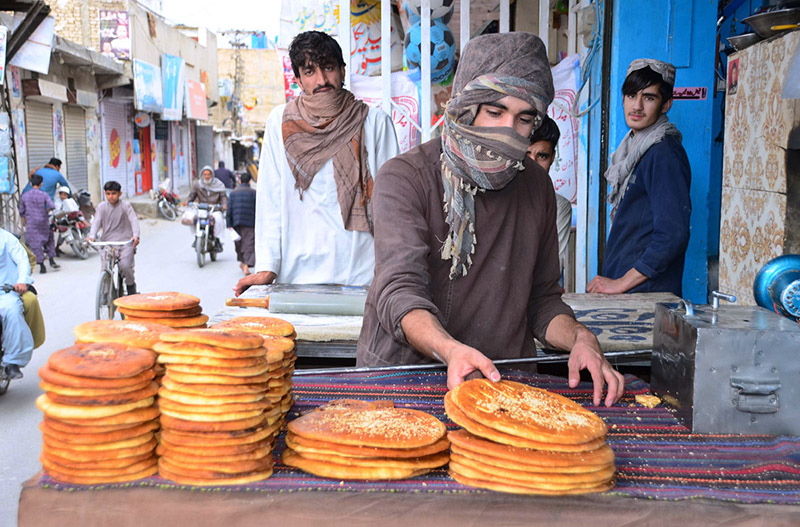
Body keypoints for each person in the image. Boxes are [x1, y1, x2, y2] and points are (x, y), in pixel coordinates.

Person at [356, 32, 624, 407]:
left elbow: (542, 301)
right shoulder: (405, 177)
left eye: (523, 119)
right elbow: (399, 291)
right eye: (495, 113)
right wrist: (449, 349)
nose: (508, 132)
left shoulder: (536, 188)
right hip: (405, 383)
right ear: (466, 107)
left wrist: (581, 338)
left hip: (500, 384)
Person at [234, 30, 399, 295]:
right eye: (309, 72)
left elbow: (393, 203)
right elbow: (270, 198)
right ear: (298, 80)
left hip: (362, 274)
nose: (322, 79)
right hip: (297, 277)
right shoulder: (280, 123)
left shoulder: (375, 122)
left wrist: (395, 270)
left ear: (343, 71)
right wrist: (266, 266)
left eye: (329, 67)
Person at [587, 59, 691, 297]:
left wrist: (621, 283)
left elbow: (673, 235)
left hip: (645, 295)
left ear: (666, 105)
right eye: (631, 95)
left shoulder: (664, 153)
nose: (637, 106)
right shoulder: (635, 149)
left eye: (649, 98)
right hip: (630, 292)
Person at [527, 115, 572, 274]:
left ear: (552, 158)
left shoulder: (558, 207)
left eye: (542, 156)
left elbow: (550, 270)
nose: (533, 164)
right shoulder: (493, 197)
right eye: (526, 155)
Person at [87, 181, 140, 296]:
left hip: (125, 242)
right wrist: (91, 236)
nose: (111, 196)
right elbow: (96, 222)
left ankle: (130, 286)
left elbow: (133, 220)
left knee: (125, 266)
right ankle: (106, 292)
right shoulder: (101, 207)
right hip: (108, 242)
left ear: (120, 193)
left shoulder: (126, 206)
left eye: (114, 193)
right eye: (108, 193)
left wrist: (135, 235)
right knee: (105, 266)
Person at [0, 228, 35, 380]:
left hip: (4, 292)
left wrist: (22, 280)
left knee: (13, 312)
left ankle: (12, 362)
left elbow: (22, 260)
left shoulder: (8, 239)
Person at [18, 174, 60, 274]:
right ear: (41, 184)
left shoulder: (25, 196)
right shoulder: (44, 195)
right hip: (44, 221)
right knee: (49, 240)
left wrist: (25, 224)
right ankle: (51, 260)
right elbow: (52, 205)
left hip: (31, 223)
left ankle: (41, 265)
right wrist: (46, 211)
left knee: (35, 244)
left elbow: (21, 212)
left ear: (31, 183)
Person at [187, 166, 228, 250]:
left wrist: (224, 204)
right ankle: (196, 237)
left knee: (219, 220)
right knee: (193, 219)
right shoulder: (198, 184)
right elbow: (192, 195)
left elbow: (223, 196)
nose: (207, 176)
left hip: (215, 209)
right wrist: (188, 201)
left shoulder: (219, 184)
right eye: (205, 174)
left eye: (208, 174)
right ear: (202, 175)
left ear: (212, 175)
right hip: (202, 209)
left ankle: (217, 240)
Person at [226, 172, 257, 275]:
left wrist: (229, 224)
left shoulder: (233, 193)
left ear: (239, 181)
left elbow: (229, 209)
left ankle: (244, 264)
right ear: (249, 181)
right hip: (250, 222)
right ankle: (246, 265)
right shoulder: (254, 193)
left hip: (236, 222)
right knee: (249, 244)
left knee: (239, 243)